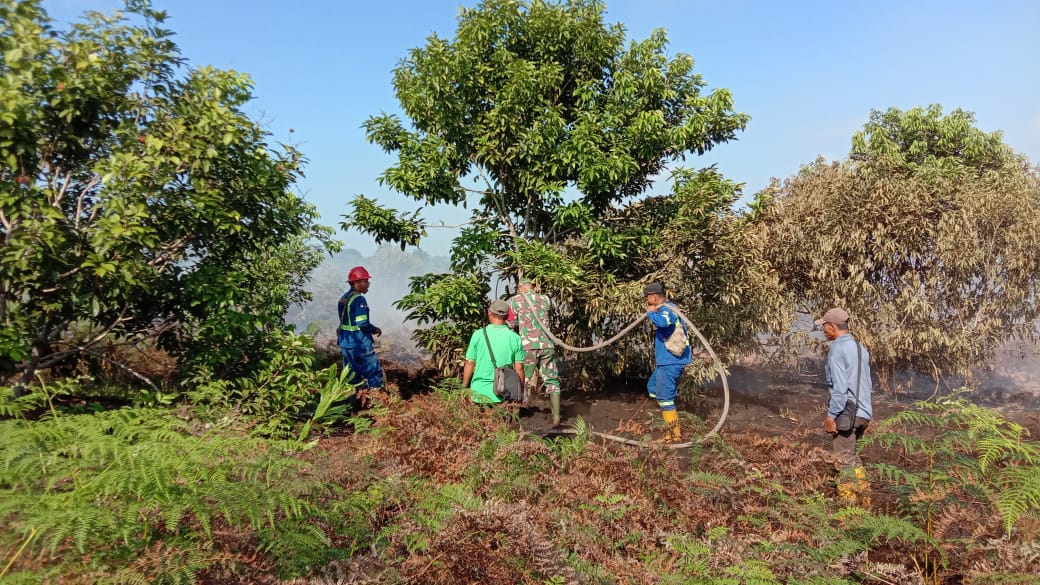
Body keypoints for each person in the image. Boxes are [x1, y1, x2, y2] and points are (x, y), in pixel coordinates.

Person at [815, 307, 873, 506]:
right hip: (864, 412)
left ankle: (848, 509)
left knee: (843, 460)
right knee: (852, 457)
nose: (823, 330)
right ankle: (865, 501)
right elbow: (867, 383)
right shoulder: (860, 347)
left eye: (824, 326)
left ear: (832, 327)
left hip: (847, 413)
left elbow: (840, 389)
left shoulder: (837, 349)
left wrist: (831, 416)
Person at [508, 278, 563, 425]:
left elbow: (511, 323)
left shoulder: (516, 300)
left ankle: (514, 417)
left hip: (527, 347)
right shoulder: (546, 299)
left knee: (522, 380)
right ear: (533, 287)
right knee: (552, 380)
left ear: (521, 287)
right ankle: (556, 419)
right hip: (547, 345)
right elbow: (548, 320)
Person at [643, 282, 692, 441]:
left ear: (654, 297)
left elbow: (664, 322)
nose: (646, 302)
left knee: (665, 397)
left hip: (671, 362)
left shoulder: (667, 310)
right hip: (665, 362)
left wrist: (651, 313)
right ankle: (668, 412)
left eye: (647, 299)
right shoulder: (665, 308)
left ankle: (673, 435)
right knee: (653, 387)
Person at [462, 300, 526, 404]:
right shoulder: (515, 338)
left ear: (489, 313)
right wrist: (520, 392)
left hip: (478, 394)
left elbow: (469, 363)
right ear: (506, 317)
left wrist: (464, 388)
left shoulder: (478, 335)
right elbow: (519, 368)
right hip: (504, 393)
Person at [337, 266, 384, 389]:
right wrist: (375, 329)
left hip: (346, 343)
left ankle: (353, 402)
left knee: (352, 375)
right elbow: (362, 323)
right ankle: (377, 401)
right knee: (373, 371)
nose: (368, 284)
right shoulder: (359, 300)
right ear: (357, 283)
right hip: (359, 343)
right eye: (366, 281)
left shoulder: (343, 298)